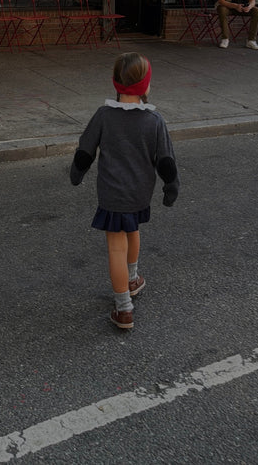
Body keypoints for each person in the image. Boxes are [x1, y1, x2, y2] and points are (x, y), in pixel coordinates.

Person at [69, 52, 179, 331]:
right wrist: (171, 185)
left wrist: (77, 173)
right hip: (139, 193)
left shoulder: (104, 116)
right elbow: (166, 160)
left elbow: (86, 148)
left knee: (116, 247)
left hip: (112, 194)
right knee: (133, 230)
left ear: (115, 83)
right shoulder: (154, 120)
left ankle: (124, 309)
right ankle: (132, 279)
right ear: (146, 86)